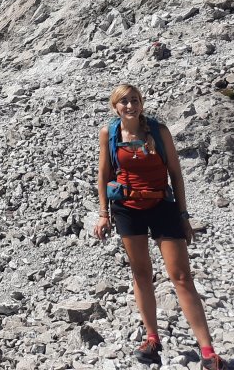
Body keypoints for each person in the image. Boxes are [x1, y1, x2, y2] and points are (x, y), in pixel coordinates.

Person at [93, 84, 225, 368]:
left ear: (141, 103)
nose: (130, 106)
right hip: (127, 208)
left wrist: (183, 215)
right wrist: (103, 213)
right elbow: (103, 174)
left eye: (135, 100)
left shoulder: (159, 131)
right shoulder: (109, 133)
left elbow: (175, 173)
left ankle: (208, 352)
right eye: (124, 101)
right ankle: (152, 339)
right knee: (141, 274)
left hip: (162, 205)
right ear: (115, 106)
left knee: (181, 276)